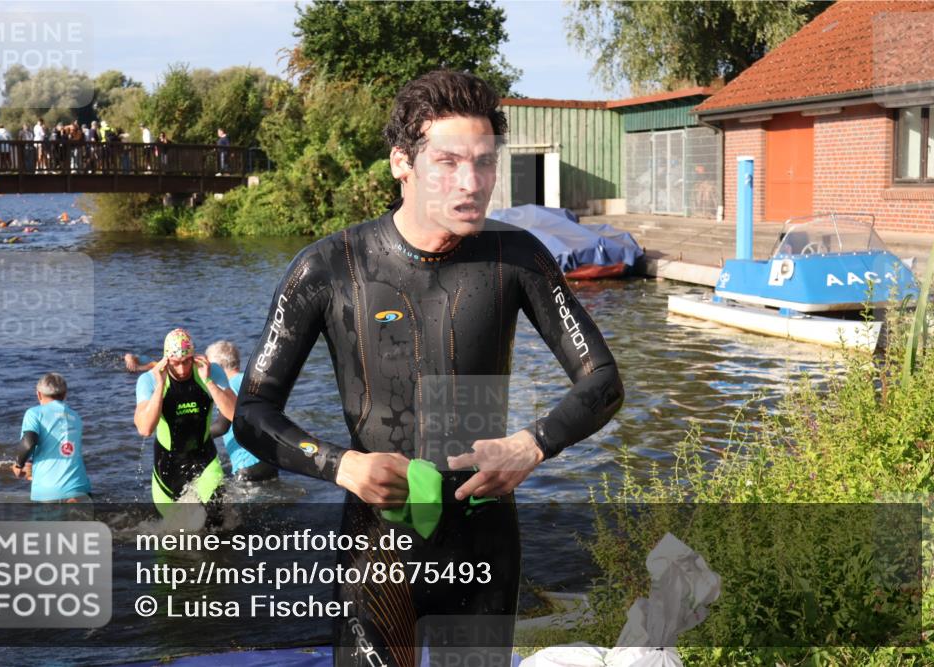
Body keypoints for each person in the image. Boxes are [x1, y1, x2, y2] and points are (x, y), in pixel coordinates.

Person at [234, 70, 624, 667]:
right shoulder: (328, 268)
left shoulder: (517, 256)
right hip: (378, 544)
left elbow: (603, 381)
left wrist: (531, 445)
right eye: (447, 162)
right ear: (401, 163)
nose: (471, 184)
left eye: (485, 163)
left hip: (485, 538)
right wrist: (341, 465)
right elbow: (254, 415)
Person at [134, 328, 236, 517]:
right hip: (167, 464)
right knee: (173, 533)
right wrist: (159, 387)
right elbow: (145, 428)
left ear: (194, 356)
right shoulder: (148, 380)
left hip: (204, 457)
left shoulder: (211, 371)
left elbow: (235, 415)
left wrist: (209, 382)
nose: (182, 369)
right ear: (166, 360)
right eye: (175, 363)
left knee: (218, 518)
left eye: (186, 362)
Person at [205, 341, 278, 482]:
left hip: (246, 463)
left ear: (218, 367)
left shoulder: (229, 387)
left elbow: (222, 426)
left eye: (209, 367)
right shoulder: (251, 381)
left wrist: (193, 438)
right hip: (269, 460)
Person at [14, 373, 92, 502]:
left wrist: (18, 465)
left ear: (38, 394)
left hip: (49, 493)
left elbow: (28, 442)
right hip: (80, 489)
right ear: (65, 394)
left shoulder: (34, 413)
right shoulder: (76, 416)